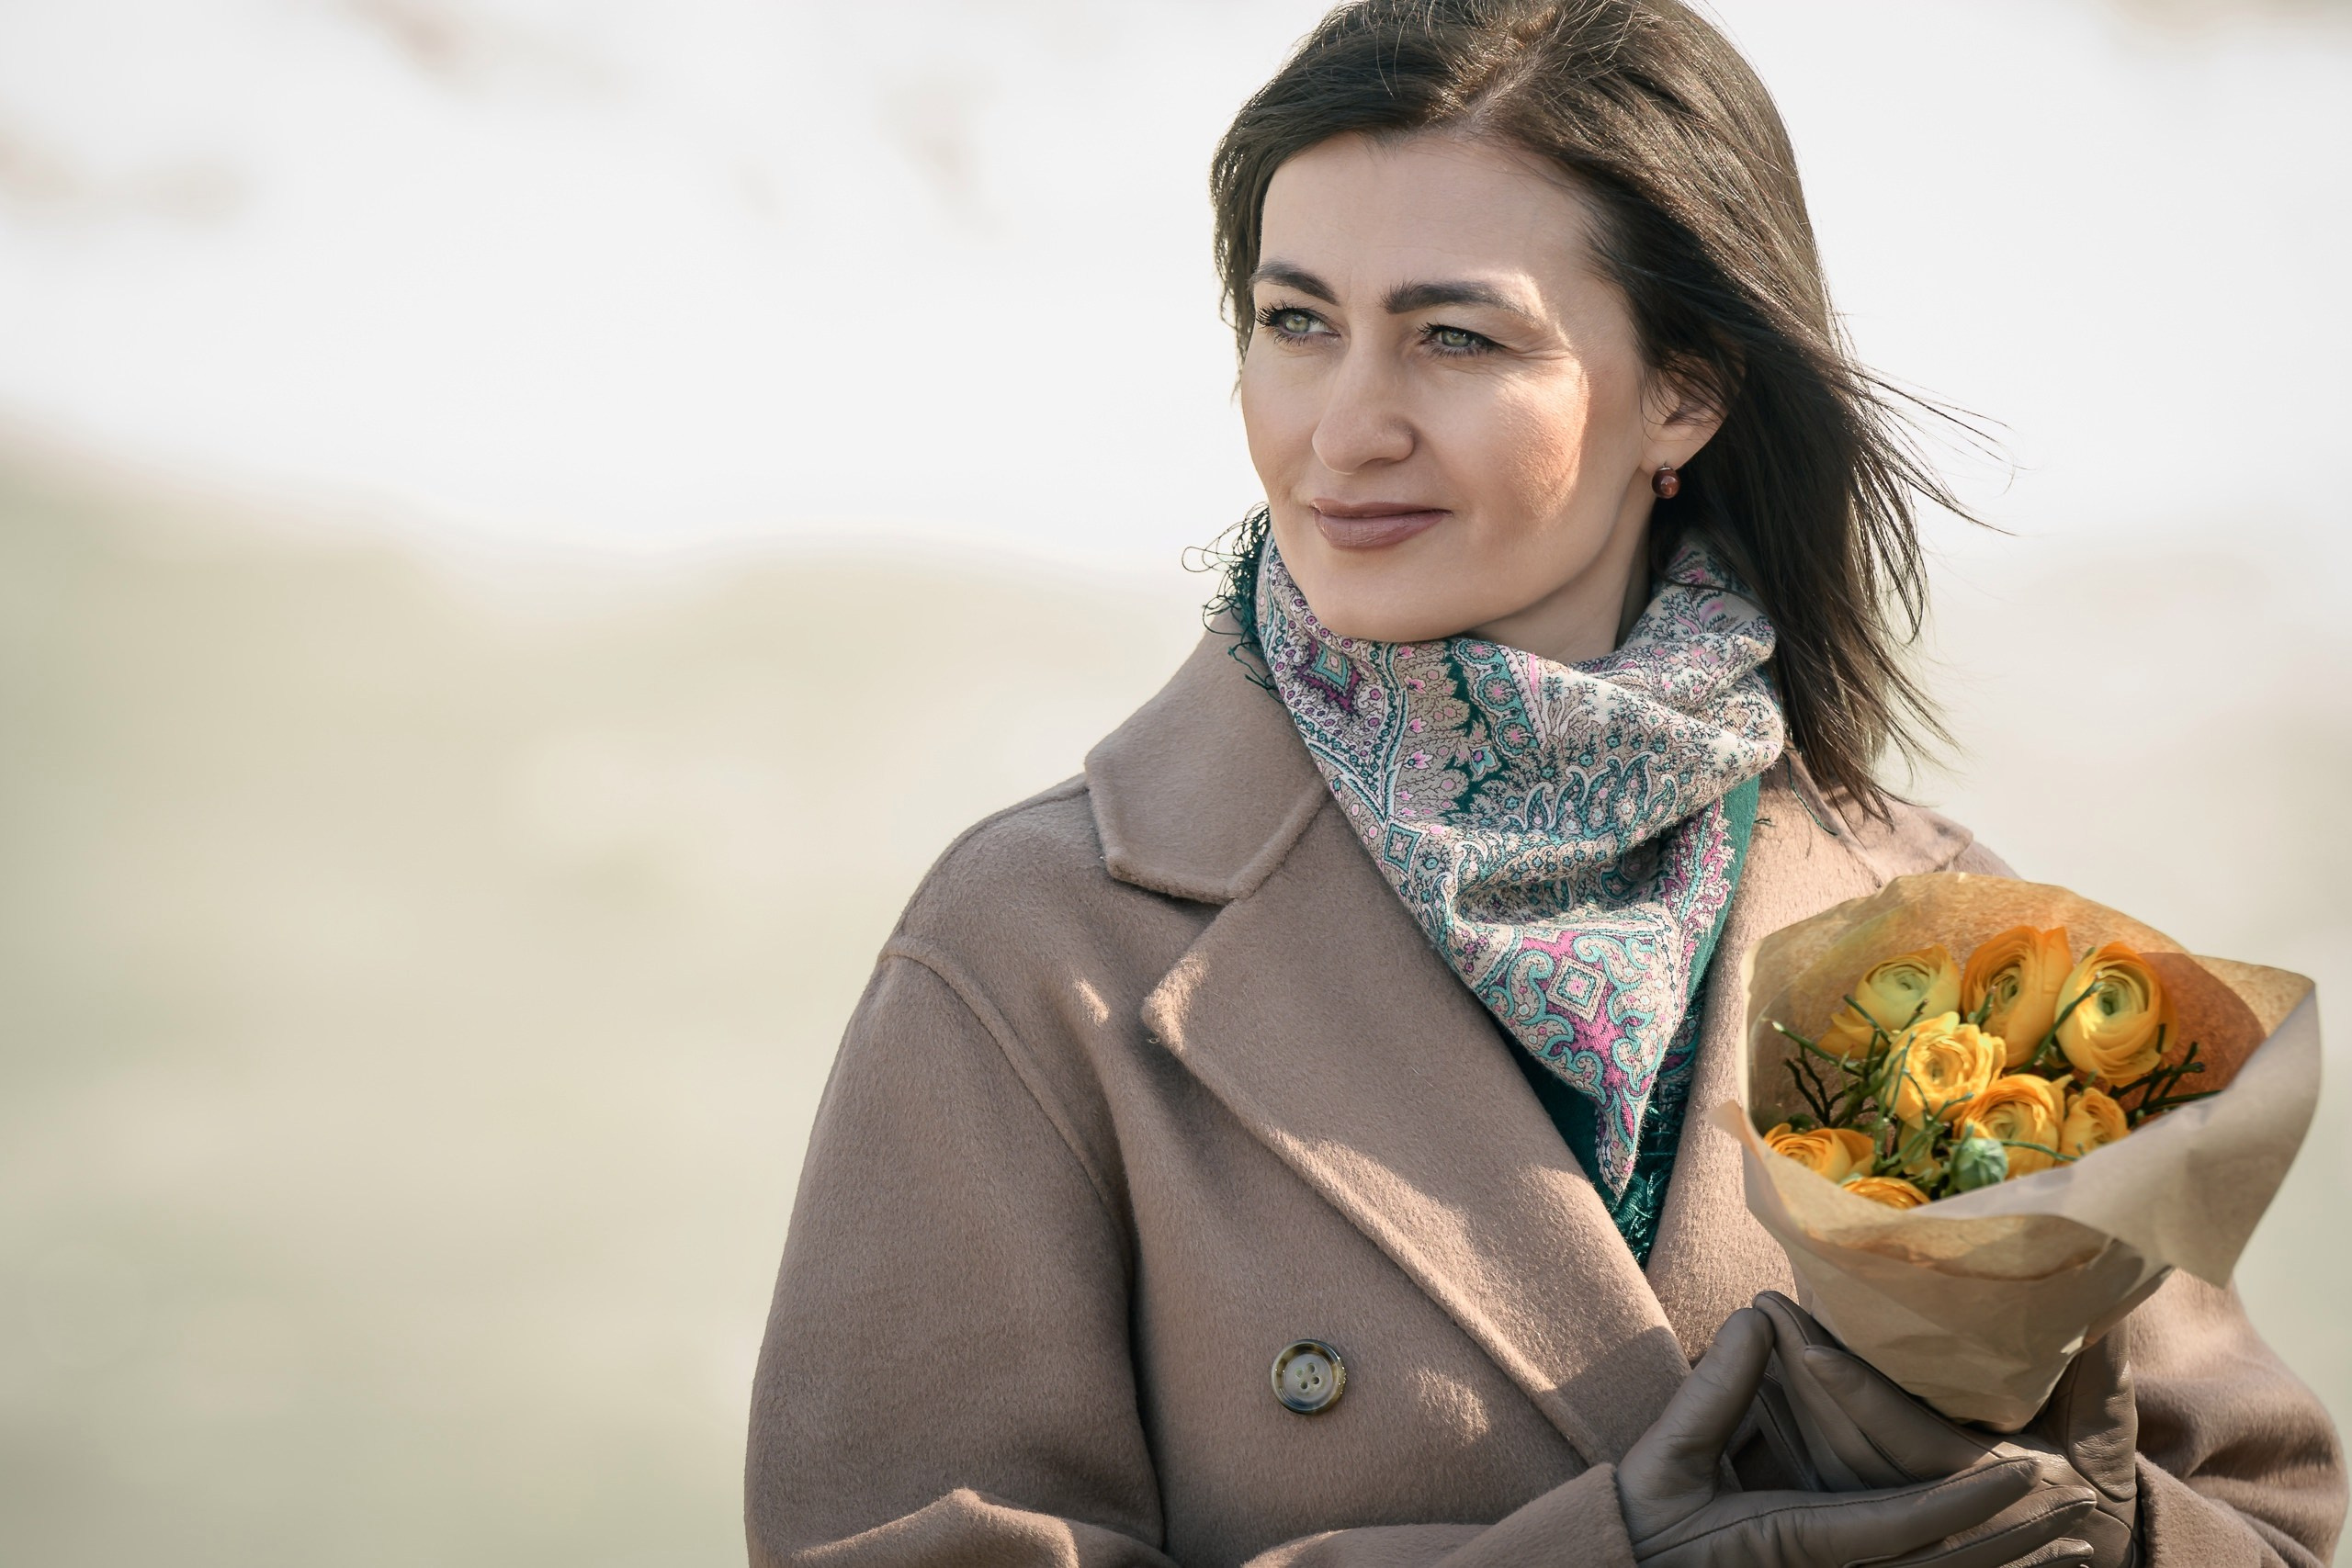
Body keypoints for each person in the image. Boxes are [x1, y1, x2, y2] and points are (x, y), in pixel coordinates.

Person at [743, 3, 2346, 1564]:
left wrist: (2087, 1523)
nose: (1344, 429)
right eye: (1297, 322)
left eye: (1455, 337)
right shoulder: (1040, 946)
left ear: (1685, 392)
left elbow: (2279, 1532)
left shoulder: (1955, 942)